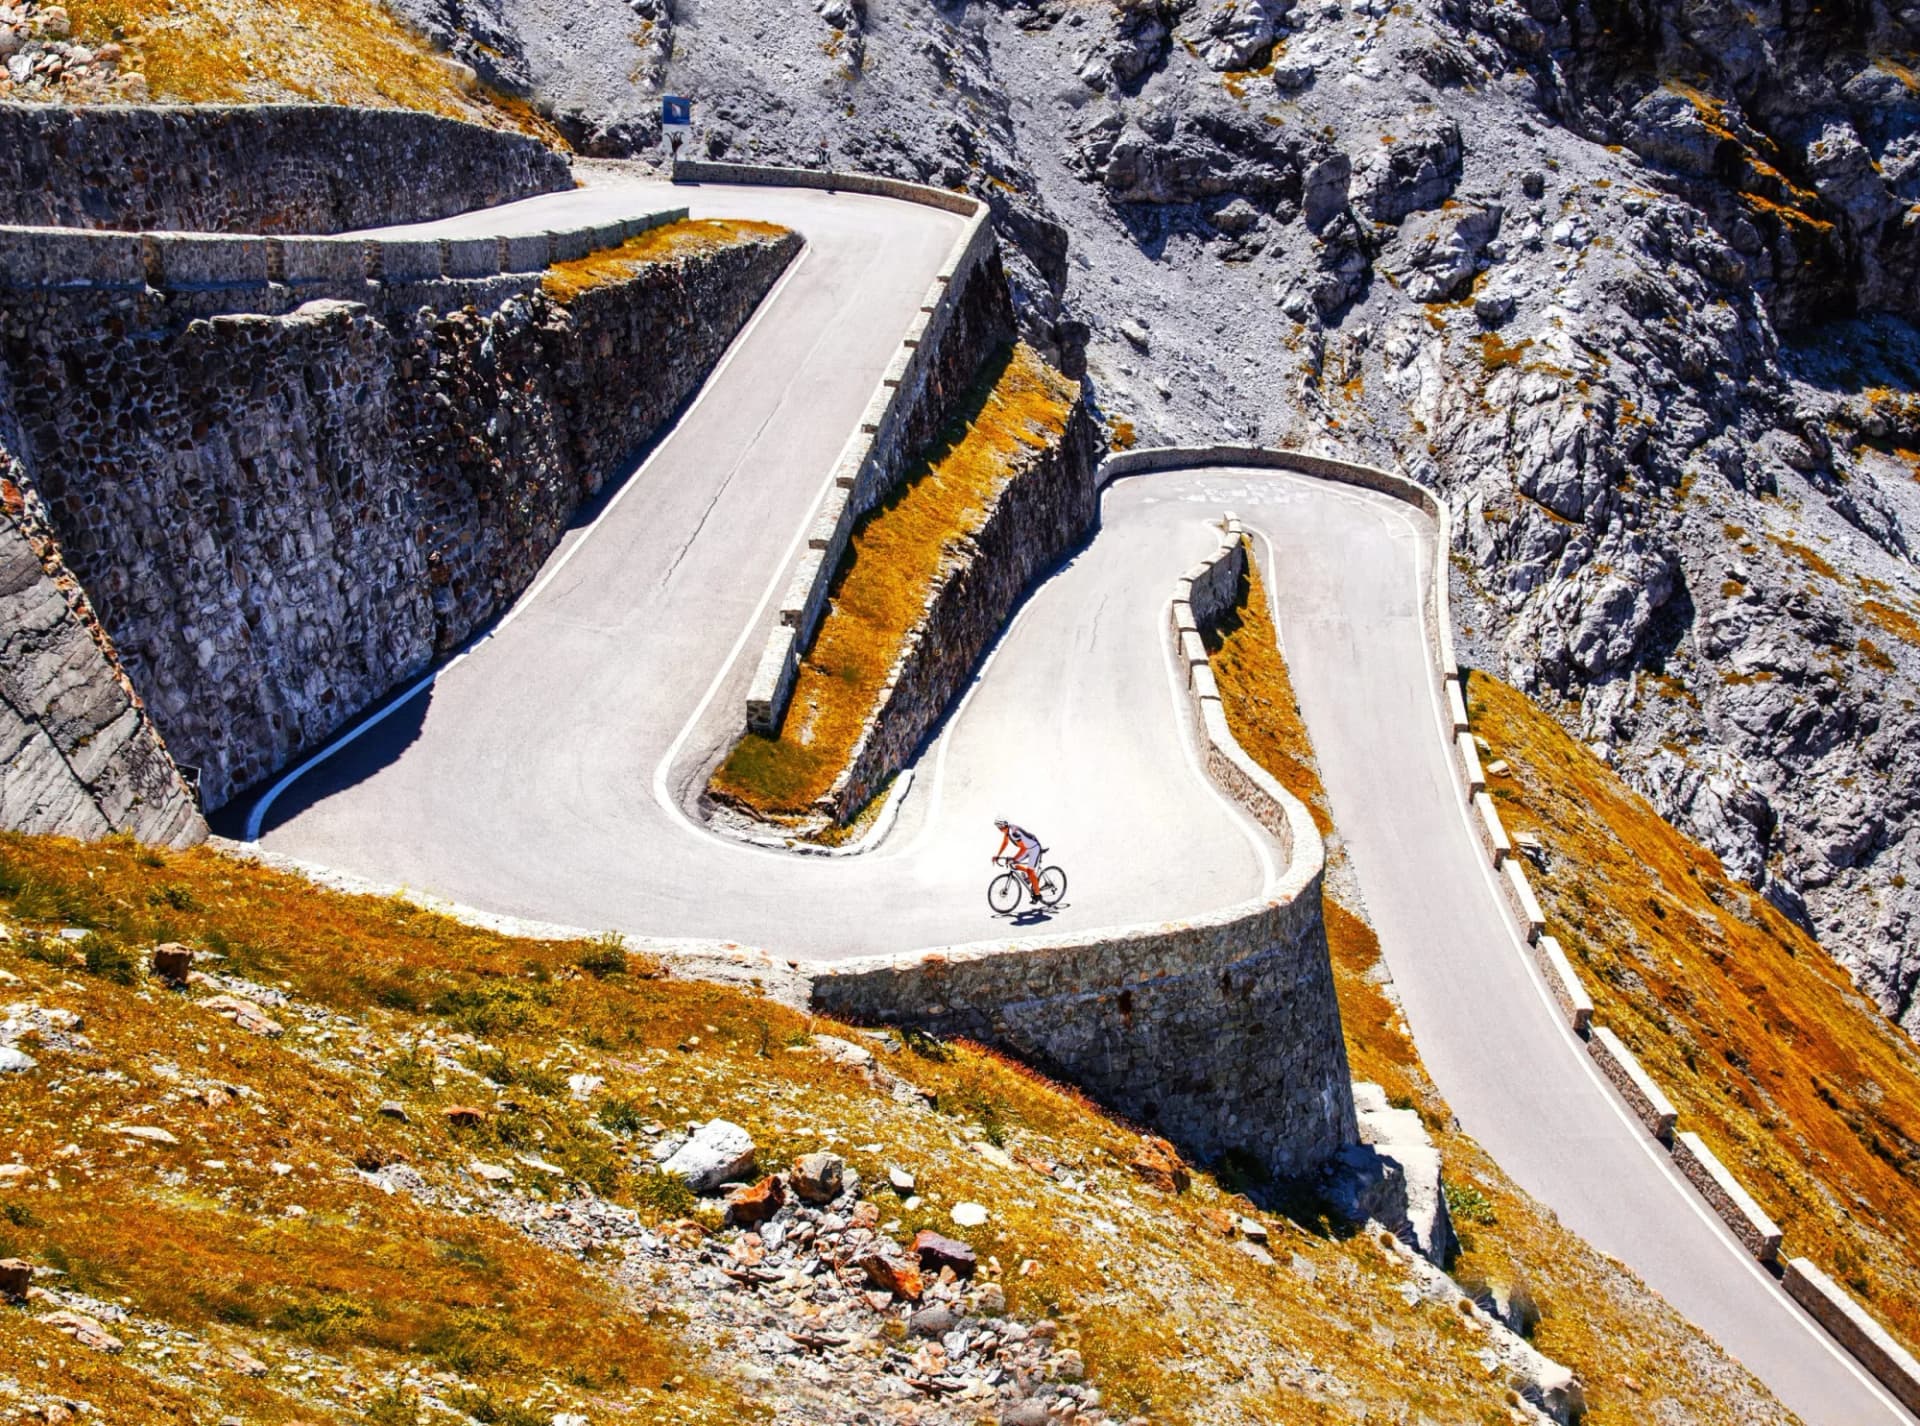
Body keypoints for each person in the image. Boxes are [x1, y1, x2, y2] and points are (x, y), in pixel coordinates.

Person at [993, 818, 1045, 899]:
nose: (999, 829)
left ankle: (1038, 895)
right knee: (1013, 864)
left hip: (1034, 848)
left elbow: (1023, 848)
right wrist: (998, 855)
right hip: (1027, 848)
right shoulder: (1008, 831)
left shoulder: (1013, 833)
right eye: (998, 827)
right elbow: (1005, 843)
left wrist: (1013, 858)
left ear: (1004, 826)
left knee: (1030, 871)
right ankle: (1029, 878)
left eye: (1000, 827)